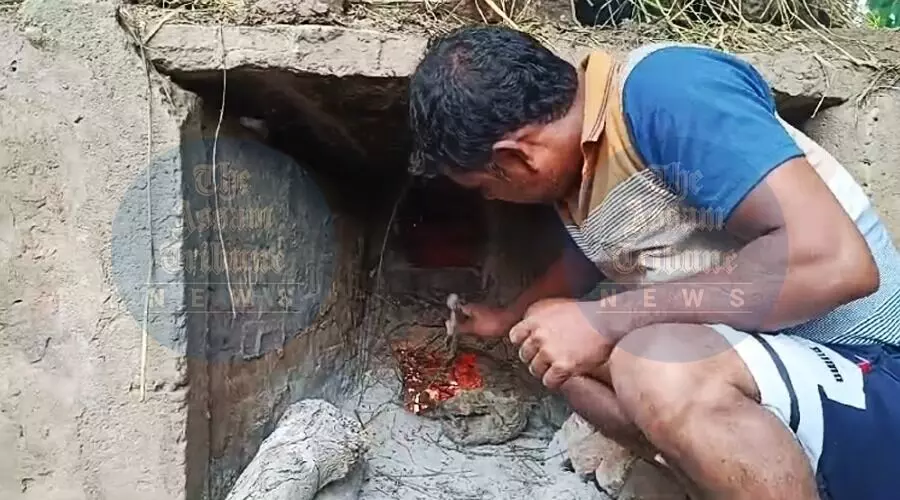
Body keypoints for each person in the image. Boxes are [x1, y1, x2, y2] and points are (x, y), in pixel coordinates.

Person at [407, 25, 900, 500]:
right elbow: (591, 261)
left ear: (514, 158)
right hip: (778, 367)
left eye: (486, 187)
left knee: (653, 362)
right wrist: (507, 317)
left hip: (870, 369)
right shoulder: (582, 174)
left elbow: (836, 263)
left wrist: (607, 317)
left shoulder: (666, 91)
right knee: (551, 345)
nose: (494, 200)